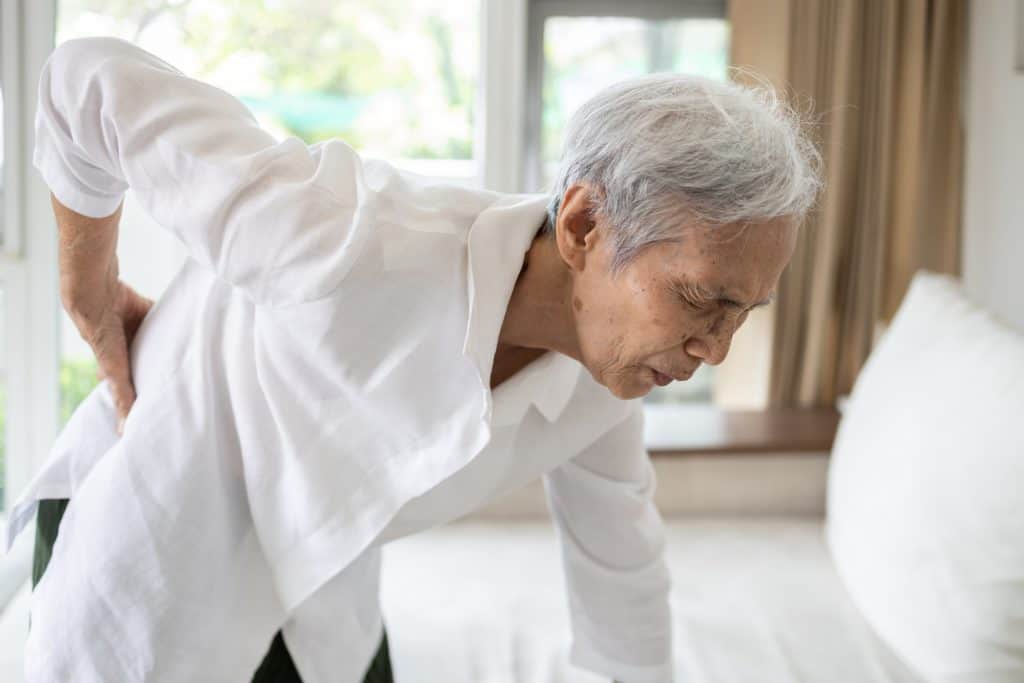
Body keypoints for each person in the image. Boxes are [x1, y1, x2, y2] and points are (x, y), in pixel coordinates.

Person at [6, 36, 820, 682]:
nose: (714, 349)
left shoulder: (600, 387)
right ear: (582, 225)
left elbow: (624, 562)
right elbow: (86, 83)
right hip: (143, 562)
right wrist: (88, 290)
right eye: (699, 298)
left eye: (742, 314)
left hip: (321, 608)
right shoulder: (344, 236)